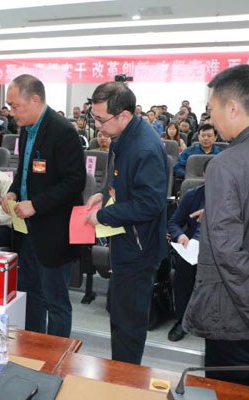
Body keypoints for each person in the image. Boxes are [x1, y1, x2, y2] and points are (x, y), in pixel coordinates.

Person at [183, 65, 249, 391]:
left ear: (233, 108)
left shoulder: (226, 164)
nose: (211, 118)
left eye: (212, 109)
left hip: (241, 320)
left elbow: (228, 254)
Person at [85, 81, 168, 365]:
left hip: (139, 249)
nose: (97, 126)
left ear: (123, 115)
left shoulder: (145, 147)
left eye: (101, 119)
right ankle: (118, 374)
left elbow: (151, 203)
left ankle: (126, 380)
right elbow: (119, 177)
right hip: (125, 239)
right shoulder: (123, 135)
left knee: (128, 325)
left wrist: (103, 215)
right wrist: (103, 194)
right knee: (119, 317)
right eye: (94, 118)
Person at [1, 74, 86, 338]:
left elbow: (75, 182)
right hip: (28, 229)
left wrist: (35, 205)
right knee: (30, 294)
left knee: (56, 301)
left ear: (35, 100)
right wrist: (13, 191)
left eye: (15, 106)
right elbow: (24, 171)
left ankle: (57, 355)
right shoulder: (26, 128)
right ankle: (33, 347)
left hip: (54, 231)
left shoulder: (63, 131)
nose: (11, 112)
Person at [166, 160, 209, 342]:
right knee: (183, 269)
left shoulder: (234, 196)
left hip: (221, 249)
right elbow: (174, 222)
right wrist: (180, 236)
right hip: (192, 248)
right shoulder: (193, 195)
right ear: (204, 175)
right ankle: (182, 320)